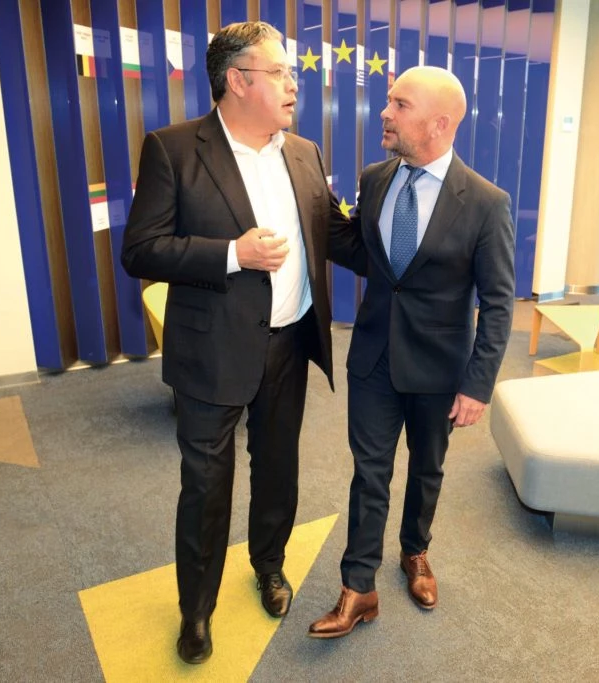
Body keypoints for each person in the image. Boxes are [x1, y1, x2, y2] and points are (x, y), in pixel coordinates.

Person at [121, 21, 359, 665]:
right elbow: (141, 250)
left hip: (289, 344)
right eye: (280, 72)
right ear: (237, 80)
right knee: (206, 486)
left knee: (278, 469)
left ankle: (269, 565)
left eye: (290, 73)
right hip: (211, 350)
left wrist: (409, 240)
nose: (292, 84)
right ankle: (195, 610)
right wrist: (233, 254)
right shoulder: (174, 149)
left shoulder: (303, 152)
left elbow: (332, 233)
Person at [308, 66, 516, 639]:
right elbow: (365, 253)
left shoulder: (486, 203)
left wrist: (477, 384)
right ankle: (359, 588)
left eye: (400, 104)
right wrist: (309, 201)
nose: (385, 112)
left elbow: (499, 304)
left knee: (426, 468)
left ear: (439, 123)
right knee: (369, 473)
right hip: (374, 357)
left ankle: (415, 551)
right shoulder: (376, 178)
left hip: (440, 369)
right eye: (389, 101)